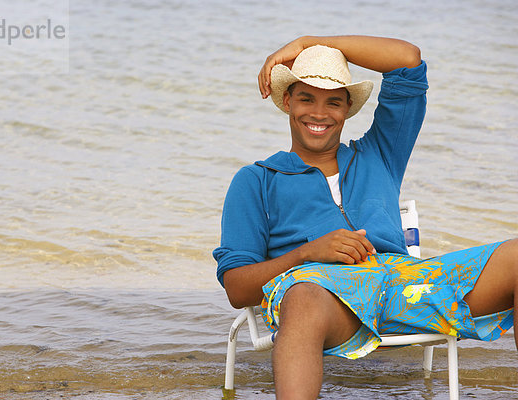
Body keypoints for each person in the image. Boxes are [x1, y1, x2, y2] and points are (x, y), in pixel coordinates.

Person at [213, 35, 517, 399]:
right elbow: (237, 286)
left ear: (347, 109)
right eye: (306, 98)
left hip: (406, 285)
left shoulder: (379, 154)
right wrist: (306, 254)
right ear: (287, 101)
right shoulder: (256, 180)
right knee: (303, 297)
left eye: (333, 102)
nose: (319, 113)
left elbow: (407, 59)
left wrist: (309, 42)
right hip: (324, 297)